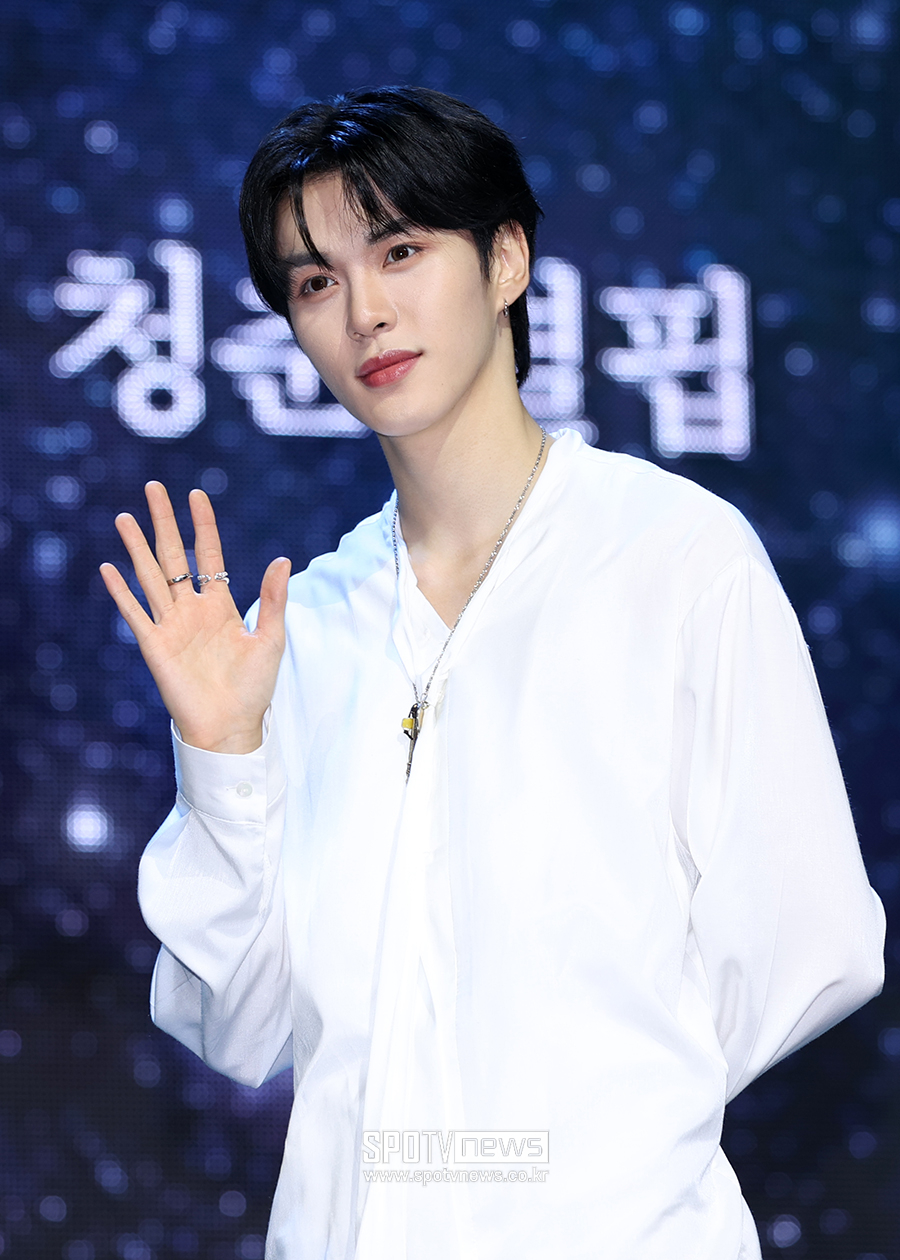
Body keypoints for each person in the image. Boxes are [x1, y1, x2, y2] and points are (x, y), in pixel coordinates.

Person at [101, 86, 885, 1260]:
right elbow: (241, 1024)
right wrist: (223, 757)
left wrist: (591, 1141)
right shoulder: (304, 629)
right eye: (315, 282)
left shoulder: (675, 557)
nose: (366, 311)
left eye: (400, 251)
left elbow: (809, 940)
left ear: (506, 259)